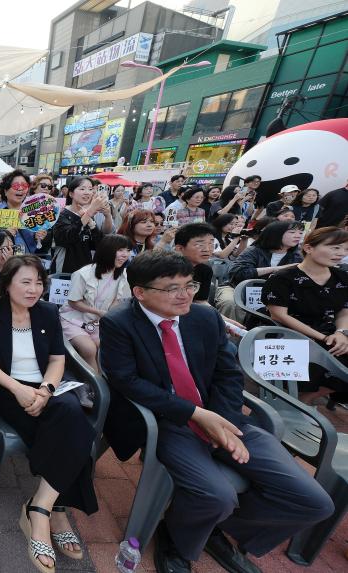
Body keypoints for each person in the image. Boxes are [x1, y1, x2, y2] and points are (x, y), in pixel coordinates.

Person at [99, 250, 333, 573]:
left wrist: (221, 421)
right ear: (140, 292)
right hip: (171, 423)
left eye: (189, 285)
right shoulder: (119, 323)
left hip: (223, 417)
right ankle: (178, 537)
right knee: (216, 495)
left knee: (314, 502)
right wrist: (196, 415)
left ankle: (214, 528)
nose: (185, 295)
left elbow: (228, 373)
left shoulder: (204, 317)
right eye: (172, 289)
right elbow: (127, 381)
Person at [0, 255, 98, 571]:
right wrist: (17, 388)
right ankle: (57, 510)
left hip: (44, 387)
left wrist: (46, 390)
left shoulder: (46, 312)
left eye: (39, 282)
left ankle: (40, 507)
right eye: (25, 282)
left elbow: (58, 360)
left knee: (72, 416)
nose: (33, 289)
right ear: (8, 284)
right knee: (76, 430)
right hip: (9, 391)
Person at [262, 226, 348, 407]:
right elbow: (279, 315)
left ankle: (307, 400)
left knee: (340, 350)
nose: (340, 253)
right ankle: (297, 400)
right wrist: (323, 338)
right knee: (324, 352)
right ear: (309, 248)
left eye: (345, 249)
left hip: (328, 329)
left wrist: (341, 333)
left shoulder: (342, 277)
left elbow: (343, 311)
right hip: (285, 330)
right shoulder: (282, 278)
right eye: (335, 247)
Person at [60, 235, 133, 372]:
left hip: (98, 322)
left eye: (128, 250)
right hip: (73, 320)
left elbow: (117, 301)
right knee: (89, 349)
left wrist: (107, 316)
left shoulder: (124, 275)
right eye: (121, 250)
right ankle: (96, 386)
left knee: (103, 347)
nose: (125, 255)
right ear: (107, 250)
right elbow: (74, 302)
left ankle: (103, 384)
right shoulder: (83, 273)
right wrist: (98, 313)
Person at [0, 170, 47, 254]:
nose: (20, 189)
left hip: (24, 262)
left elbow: (35, 238)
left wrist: (37, 236)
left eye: (24, 186)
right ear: (5, 191)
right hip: (0, 264)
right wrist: (2, 235)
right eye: (16, 185)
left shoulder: (32, 211)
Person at [53, 177, 112, 273]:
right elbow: (67, 238)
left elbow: (99, 245)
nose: (87, 192)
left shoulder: (89, 215)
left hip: (86, 271)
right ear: (71, 194)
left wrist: (101, 218)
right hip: (64, 272)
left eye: (90, 189)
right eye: (82, 189)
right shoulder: (61, 214)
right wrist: (89, 212)